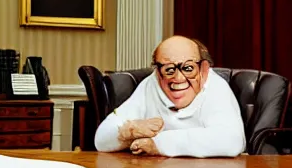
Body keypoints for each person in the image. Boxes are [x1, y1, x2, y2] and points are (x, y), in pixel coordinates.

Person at [94, 36, 246, 158]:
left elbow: (231, 141)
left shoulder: (216, 87)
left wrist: (158, 144)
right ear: (157, 72)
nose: (179, 78)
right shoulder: (150, 84)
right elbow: (101, 140)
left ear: (204, 70)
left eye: (188, 68)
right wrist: (128, 132)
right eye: (169, 69)